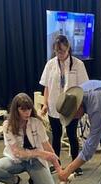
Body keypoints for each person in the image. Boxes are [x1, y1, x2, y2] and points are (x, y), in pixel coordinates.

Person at [0, 93, 60, 184]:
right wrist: (40, 153)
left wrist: (59, 169)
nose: (27, 113)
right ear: (16, 110)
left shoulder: (37, 122)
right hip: (17, 161)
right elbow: (17, 152)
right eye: (23, 110)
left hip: (35, 161)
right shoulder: (8, 126)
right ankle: (17, 182)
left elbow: (46, 144)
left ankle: (35, 182)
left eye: (29, 109)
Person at [39, 35, 89, 175]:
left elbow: (83, 88)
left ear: (68, 49)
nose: (59, 55)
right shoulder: (50, 64)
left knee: (72, 135)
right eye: (56, 52)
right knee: (56, 136)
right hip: (54, 104)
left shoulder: (78, 64)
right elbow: (47, 86)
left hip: (71, 107)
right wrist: (45, 104)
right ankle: (56, 164)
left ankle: (75, 165)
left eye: (62, 52)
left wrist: (81, 106)